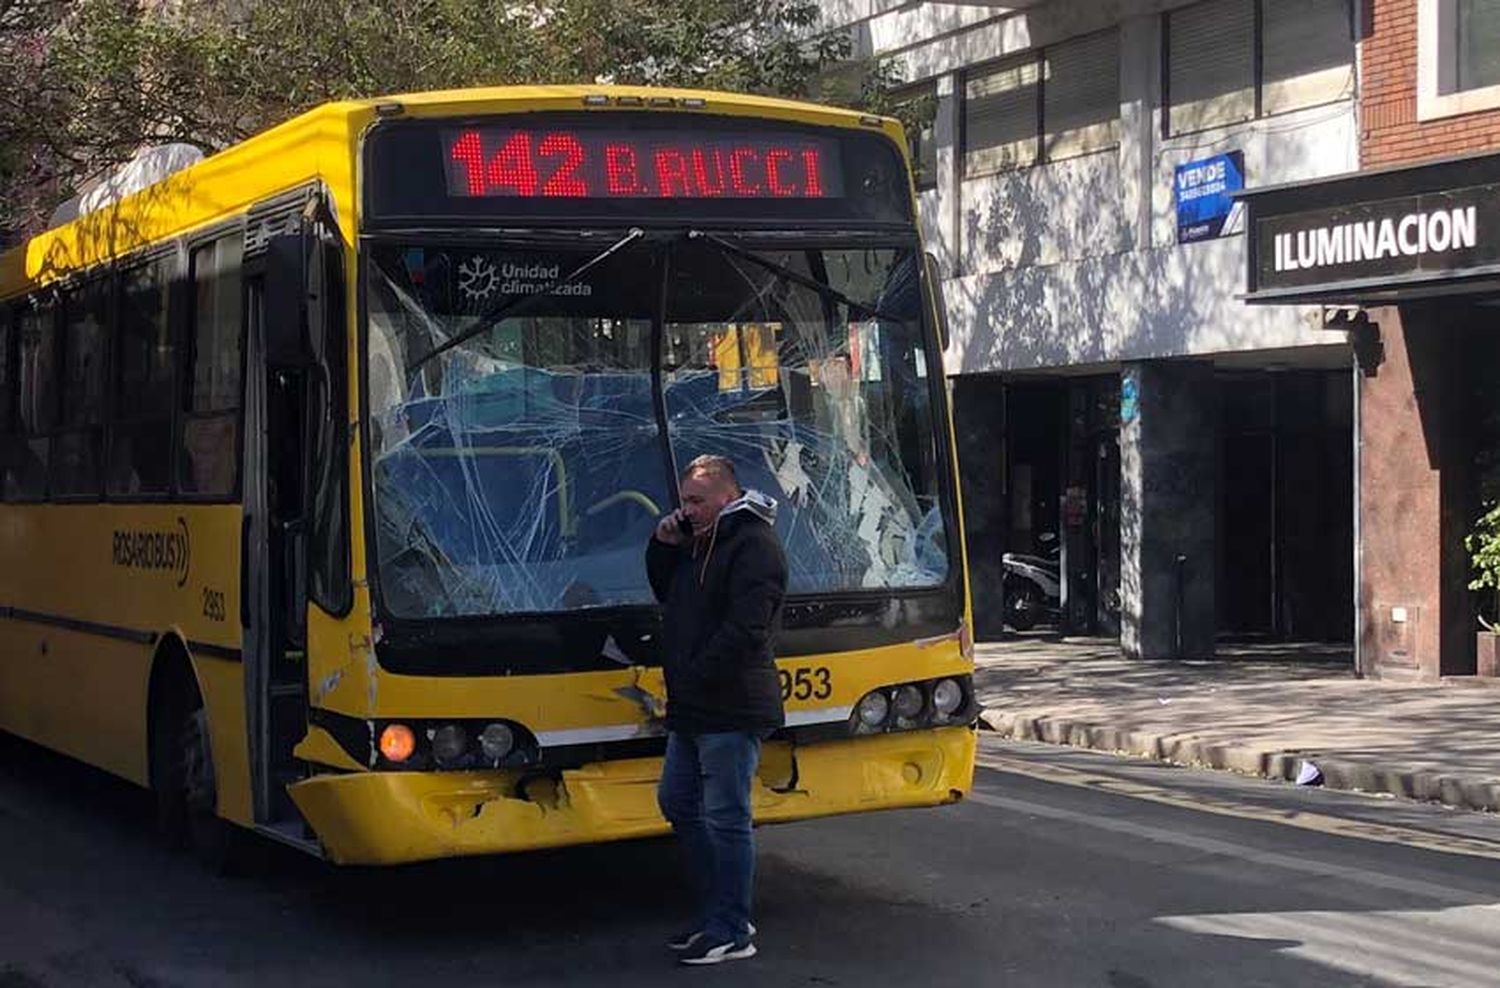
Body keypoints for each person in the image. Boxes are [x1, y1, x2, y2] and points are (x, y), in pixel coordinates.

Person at [646, 454, 787, 966]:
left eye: (697, 501)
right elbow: (669, 594)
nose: (688, 510)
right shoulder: (698, 543)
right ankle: (718, 914)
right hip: (694, 705)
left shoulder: (753, 546)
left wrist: (696, 672)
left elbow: (747, 629)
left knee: (727, 816)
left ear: (729, 497)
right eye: (685, 501)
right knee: (678, 801)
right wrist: (663, 545)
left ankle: (732, 927)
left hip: (730, 704)